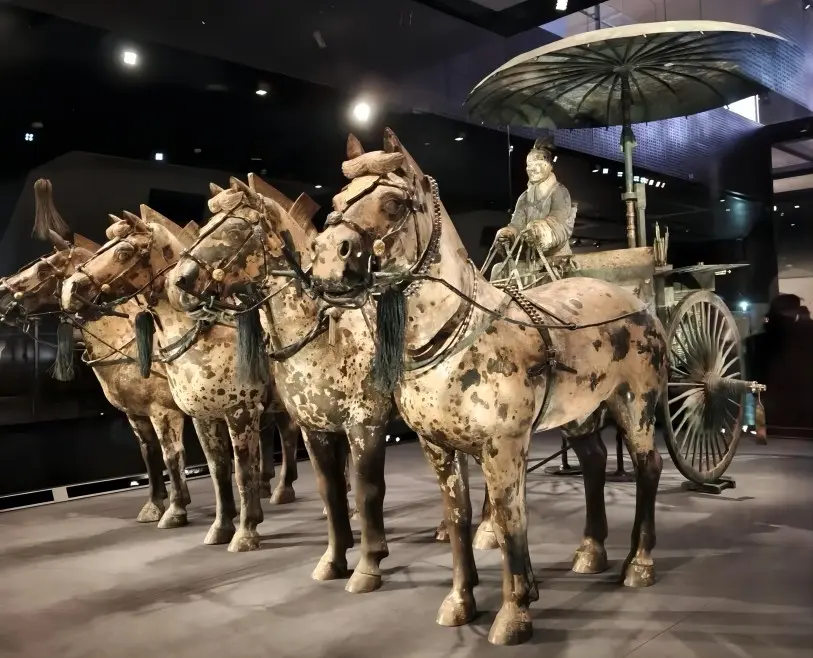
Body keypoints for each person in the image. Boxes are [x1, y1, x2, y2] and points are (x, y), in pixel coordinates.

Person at [490, 137, 576, 283]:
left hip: (557, 260)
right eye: (529, 164)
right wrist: (508, 234)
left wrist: (539, 231)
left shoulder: (559, 192)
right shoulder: (524, 197)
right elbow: (517, 224)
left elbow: (560, 225)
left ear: (548, 165)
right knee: (498, 270)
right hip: (531, 259)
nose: (532, 168)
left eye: (537, 163)